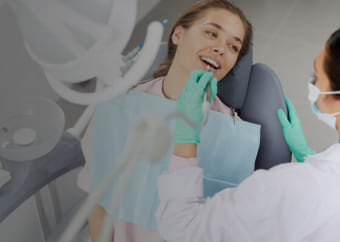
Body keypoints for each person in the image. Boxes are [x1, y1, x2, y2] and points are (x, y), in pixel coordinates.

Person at [77, 0, 253, 241]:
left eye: (233, 47)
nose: (221, 49)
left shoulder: (233, 137)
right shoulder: (121, 107)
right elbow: (99, 200)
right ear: (178, 34)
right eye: (212, 33)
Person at [156, 28, 340, 241]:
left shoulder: (288, 190)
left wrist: (185, 135)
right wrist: (308, 156)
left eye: (316, 75)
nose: (218, 49)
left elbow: (182, 229)